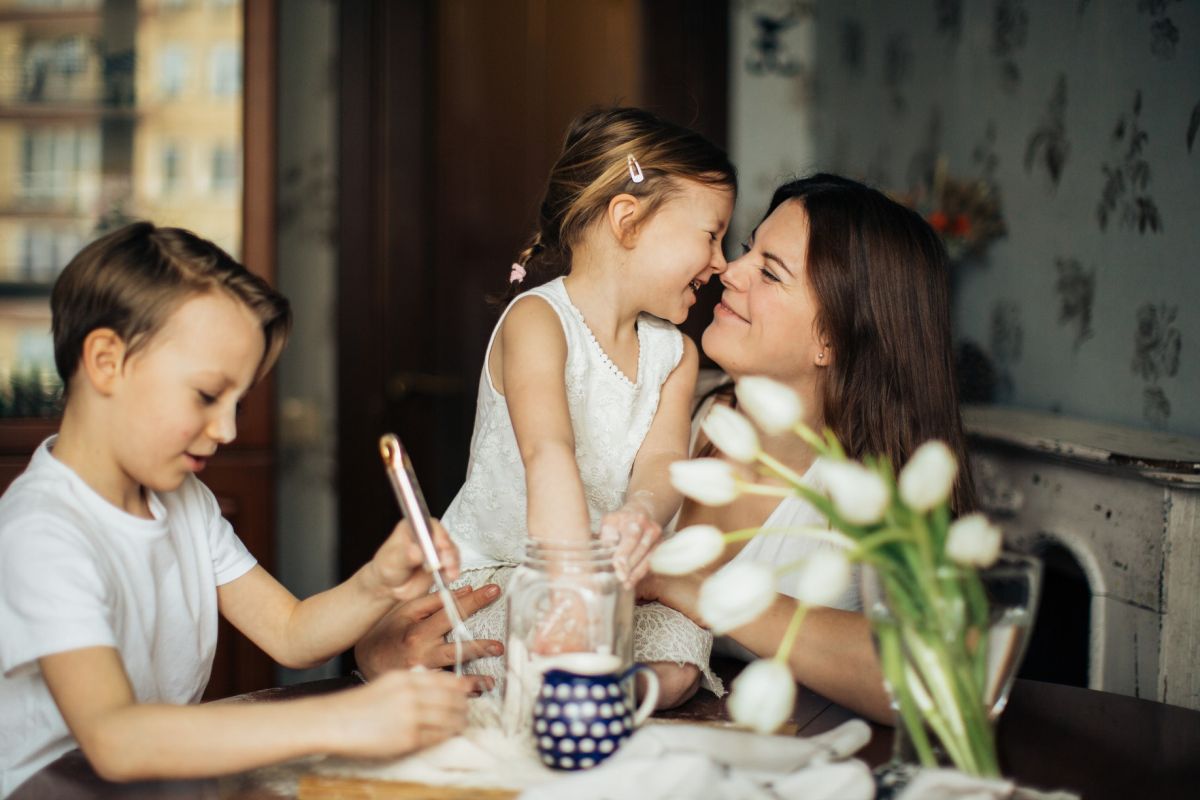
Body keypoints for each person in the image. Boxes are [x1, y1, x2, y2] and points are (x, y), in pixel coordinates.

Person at [0, 223, 476, 797]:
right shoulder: (43, 531)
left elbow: (290, 633)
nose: (226, 429)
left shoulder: (183, 500)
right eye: (206, 395)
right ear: (107, 360)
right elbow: (115, 738)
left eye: (238, 402)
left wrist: (379, 581)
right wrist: (345, 719)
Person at [392, 107, 737, 708]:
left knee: (684, 644)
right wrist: (571, 589)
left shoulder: (675, 355)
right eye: (711, 235)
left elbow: (661, 467)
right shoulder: (538, 321)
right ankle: (581, 685)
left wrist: (643, 514)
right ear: (627, 220)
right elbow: (547, 452)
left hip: (606, 586)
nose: (722, 262)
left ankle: (612, 691)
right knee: (523, 641)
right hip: (505, 575)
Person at [639, 173, 978, 723]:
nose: (730, 268)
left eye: (770, 272)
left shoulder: (877, 493)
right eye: (749, 248)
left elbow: (943, 679)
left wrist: (712, 593)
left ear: (833, 340)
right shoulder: (668, 404)